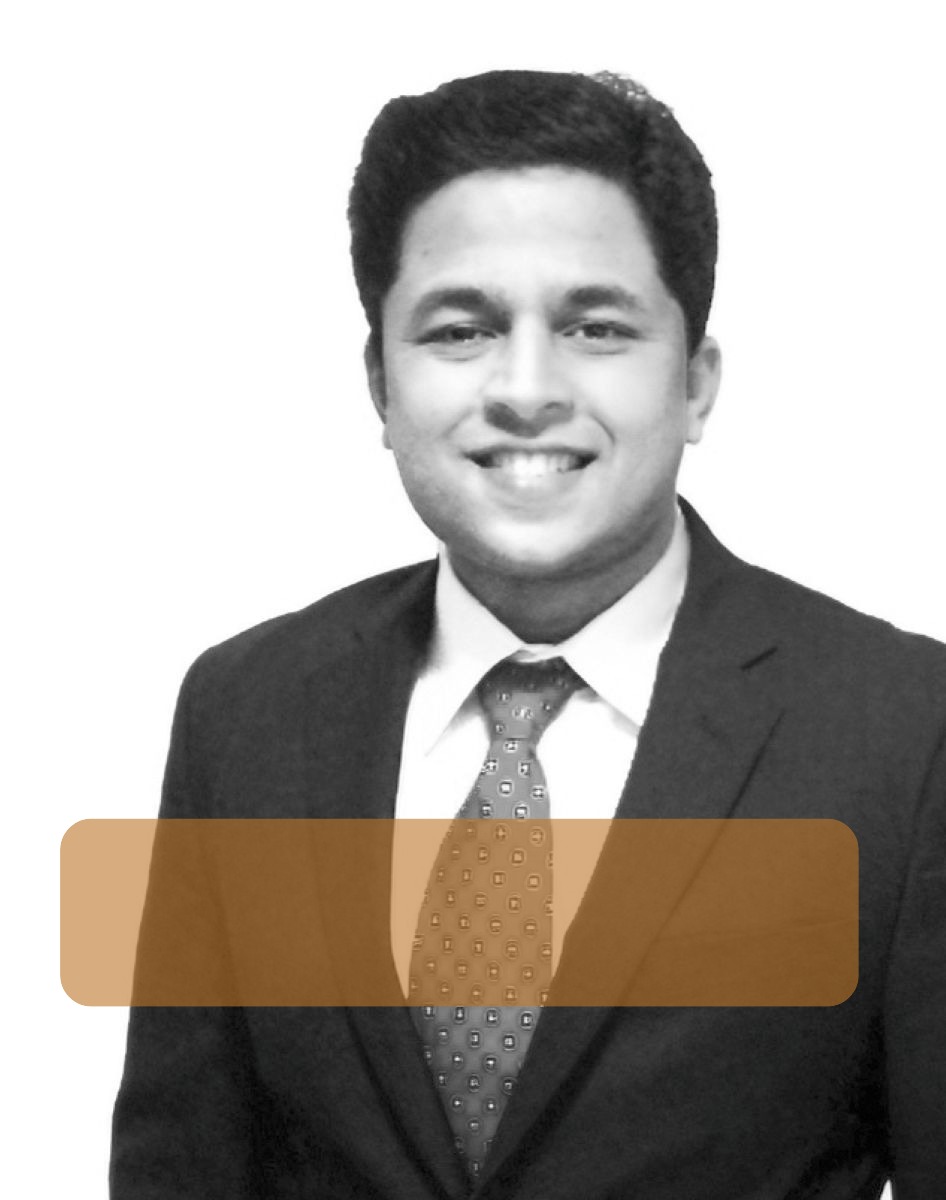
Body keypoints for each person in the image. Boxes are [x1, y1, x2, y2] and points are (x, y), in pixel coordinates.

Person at [110, 69, 946, 1198]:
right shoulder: (247, 708)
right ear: (381, 384)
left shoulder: (905, 735)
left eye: (596, 327)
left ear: (696, 383)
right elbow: (181, 1166)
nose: (525, 388)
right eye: (461, 330)